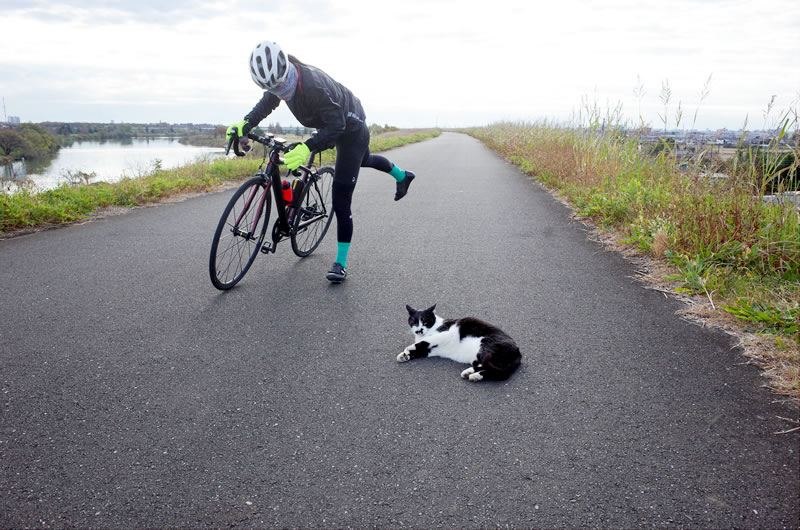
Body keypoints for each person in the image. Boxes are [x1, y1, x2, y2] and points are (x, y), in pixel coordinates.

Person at [227, 40, 415, 283]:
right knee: (364, 160)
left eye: (282, 84)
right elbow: (268, 101)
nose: (281, 90)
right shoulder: (280, 82)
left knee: (341, 197)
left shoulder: (313, 85)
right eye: (273, 87)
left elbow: (338, 125)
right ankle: (402, 175)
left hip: (351, 129)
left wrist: (308, 146)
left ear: (287, 70)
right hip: (328, 124)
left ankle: (341, 263)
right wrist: (246, 123)